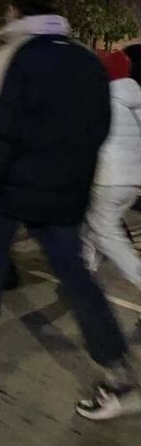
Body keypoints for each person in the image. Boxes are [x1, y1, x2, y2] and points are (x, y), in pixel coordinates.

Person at [0, 0, 139, 422]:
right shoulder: (85, 59)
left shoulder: (17, 56)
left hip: (13, 188)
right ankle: (119, 370)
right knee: (77, 277)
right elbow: (99, 126)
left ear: (17, 12)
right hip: (65, 190)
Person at [82, 50, 141, 293]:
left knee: (106, 232)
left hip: (109, 178)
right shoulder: (136, 98)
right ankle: (84, 273)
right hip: (132, 182)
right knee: (93, 225)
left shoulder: (101, 100)